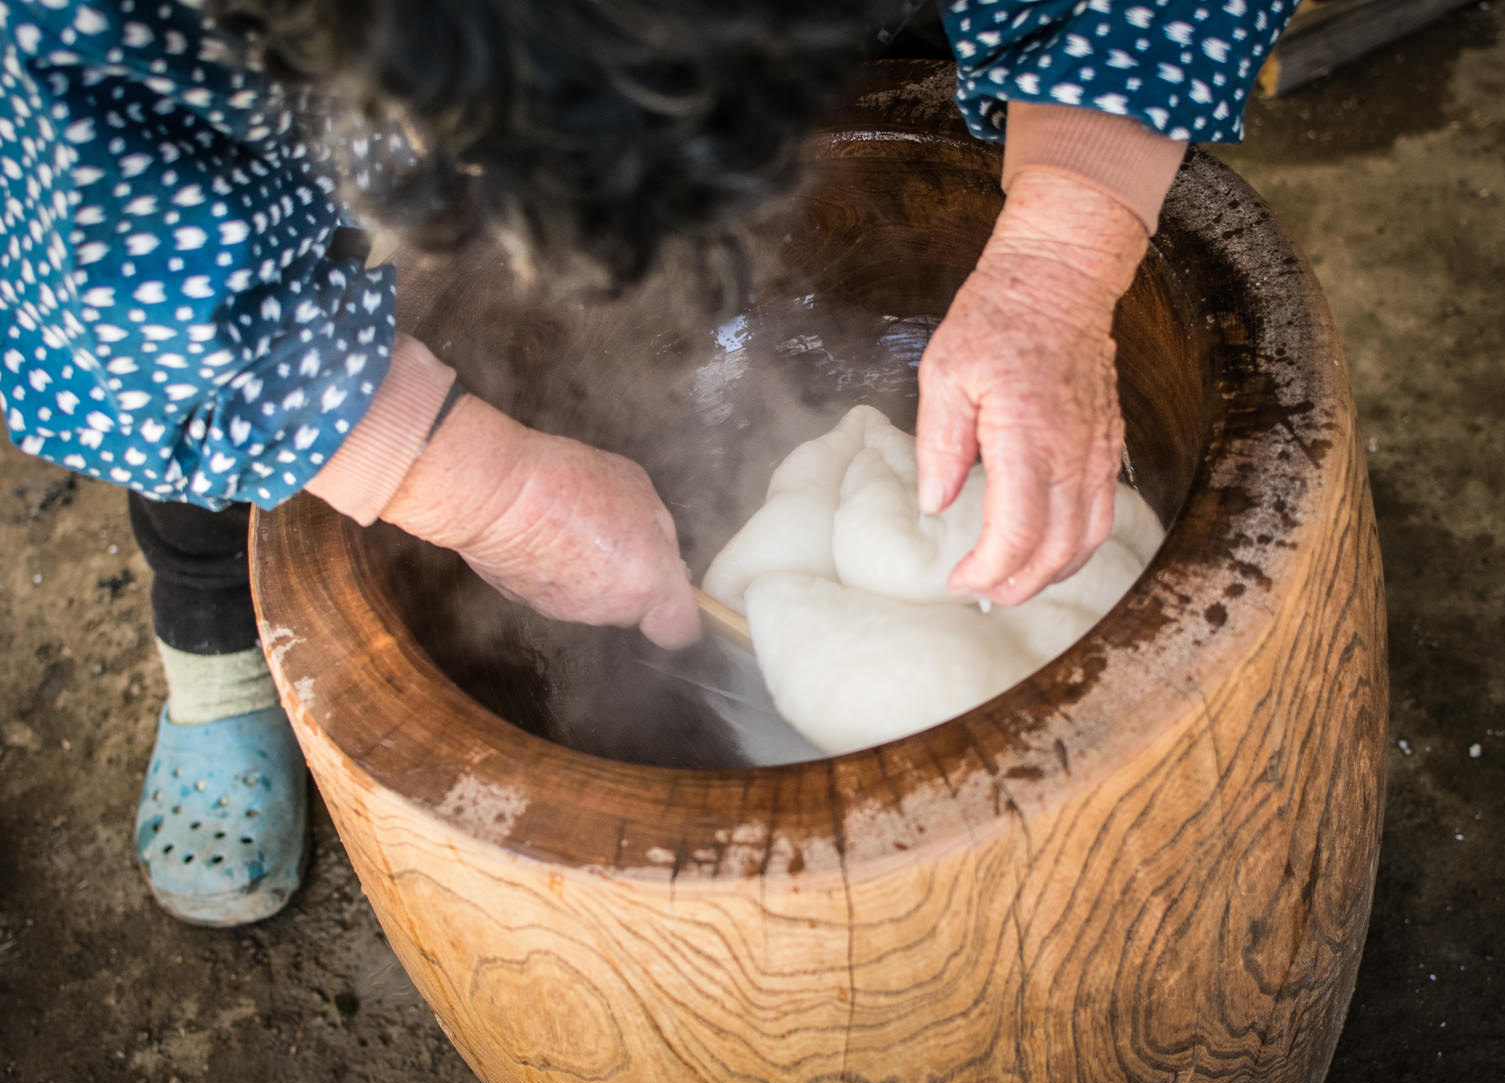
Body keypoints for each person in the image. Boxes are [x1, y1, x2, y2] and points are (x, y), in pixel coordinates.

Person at [0, 0, 1295, 925]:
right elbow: (127, 285)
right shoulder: (133, 50)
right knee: (221, 467)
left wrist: (1059, 260)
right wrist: (474, 483)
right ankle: (221, 669)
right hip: (280, 146)